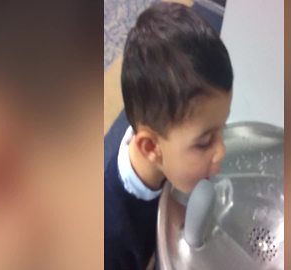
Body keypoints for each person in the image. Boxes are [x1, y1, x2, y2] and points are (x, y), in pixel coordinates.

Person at [104, 2, 234, 269]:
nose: (222, 151)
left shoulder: (170, 153)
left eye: (222, 128)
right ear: (151, 147)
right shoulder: (112, 235)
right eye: (205, 142)